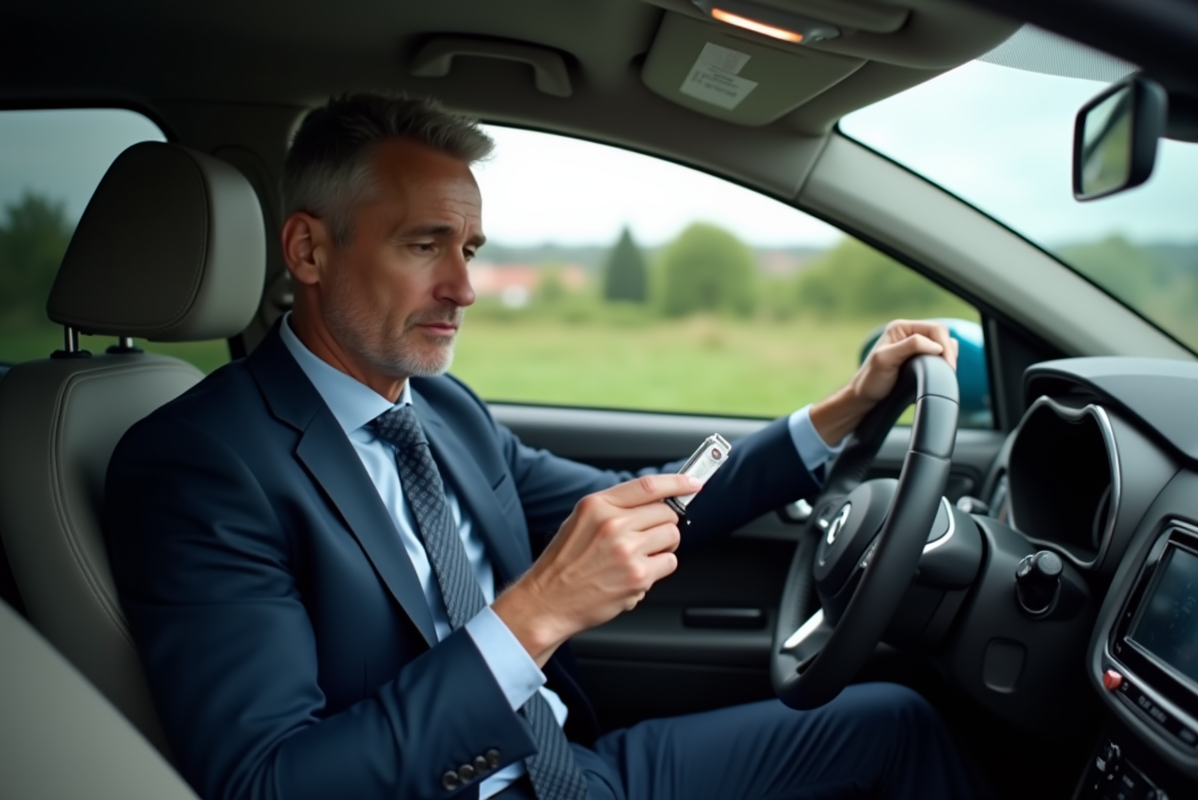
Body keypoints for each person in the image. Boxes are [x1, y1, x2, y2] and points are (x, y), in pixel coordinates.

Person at [105, 93, 984, 800]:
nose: (465, 287)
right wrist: (537, 615)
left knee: (893, 721)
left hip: (572, 765)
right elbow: (269, 783)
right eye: (425, 245)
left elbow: (644, 500)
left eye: (472, 248)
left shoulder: (442, 409)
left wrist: (841, 410)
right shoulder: (200, 463)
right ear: (308, 249)